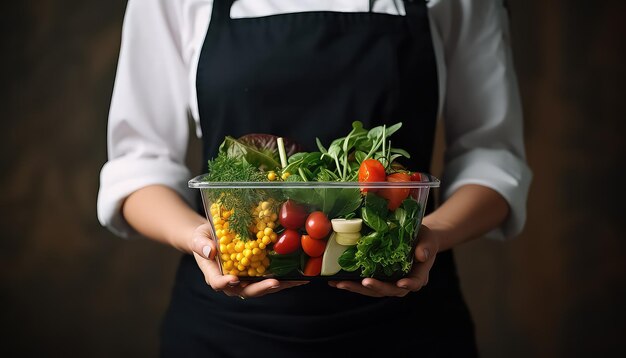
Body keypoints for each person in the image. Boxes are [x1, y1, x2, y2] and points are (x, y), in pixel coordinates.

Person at [97, 0, 531, 356]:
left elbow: (491, 156)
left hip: (409, 325)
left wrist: (430, 235)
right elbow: (139, 165)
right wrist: (200, 237)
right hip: (225, 332)